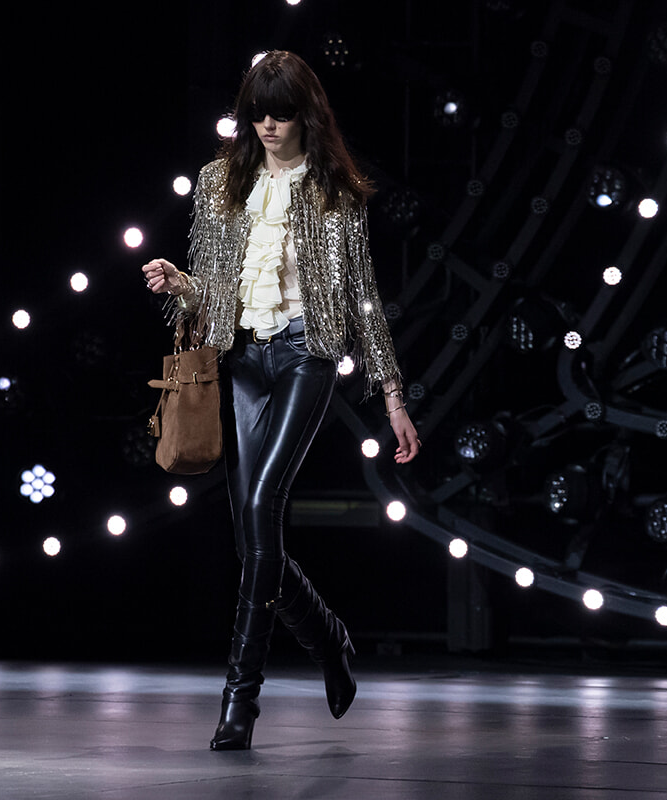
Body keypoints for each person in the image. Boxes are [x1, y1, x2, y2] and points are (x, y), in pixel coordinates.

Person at [142, 50, 420, 751]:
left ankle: (240, 700)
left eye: (282, 113)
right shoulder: (219, 182)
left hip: (305, 356)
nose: (268, 126)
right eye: (258, 113)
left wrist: (392, 397)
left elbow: (363, 298)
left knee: (263, 505)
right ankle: (328, 640)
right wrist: (181, 283)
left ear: (307, 115)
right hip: (240, 359)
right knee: (250, 535)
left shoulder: (334, 191)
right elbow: (213, 287)